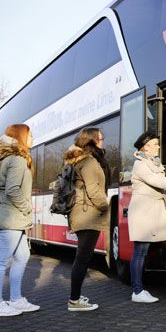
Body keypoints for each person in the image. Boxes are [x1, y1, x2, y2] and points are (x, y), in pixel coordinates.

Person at [128, 131, 166, 303]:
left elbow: (158, 190)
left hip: (153, 211)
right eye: (155, 144)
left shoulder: (152, 163)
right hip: (144, 213)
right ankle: (137, 291)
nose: (157, 147)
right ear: (146, 147)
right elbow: (161, 183)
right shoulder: (141, 165)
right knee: (140, 252)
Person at [0, 124, 40, 317]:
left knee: (22, 256)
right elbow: (12, 190)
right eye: (30, 135)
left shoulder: (10, 158)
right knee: (1, 262)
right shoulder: (17, 159)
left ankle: (16, 299)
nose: (33, 138)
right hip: (10, 217)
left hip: (12, 217)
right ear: (21, 137)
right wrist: (27, 208)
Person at [63, 127, 110, 311]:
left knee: (81, 257)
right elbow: (94, 190)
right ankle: (74, 301)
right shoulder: (89, 161)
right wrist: (106, 207)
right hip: (88, 213)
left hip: (81, 212)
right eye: (100, 138)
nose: (102, 141)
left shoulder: (78, 159)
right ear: (92, 140)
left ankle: (75, 297)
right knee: (83, 258)